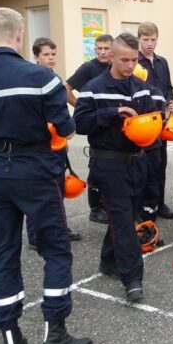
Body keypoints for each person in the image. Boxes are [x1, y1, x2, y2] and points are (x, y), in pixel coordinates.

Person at [0, 8, 92, 344]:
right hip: (37, 172)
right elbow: (66, 128)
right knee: (56, 251)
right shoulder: (41, 77)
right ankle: (55, 334)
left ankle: (11, 340)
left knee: (4, 253)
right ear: (19, 35)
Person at [73, 33, 164, 303]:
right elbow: (80, 124)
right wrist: (113, 113)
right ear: (110, 57)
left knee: (126, 214)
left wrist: (158, 116)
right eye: (124, 59)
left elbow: (151, 117)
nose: (129, 64)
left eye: (134, 60)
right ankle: (132, 278)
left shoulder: (141, 86)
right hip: (108, 163)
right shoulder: (92, 87)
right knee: (125, 220)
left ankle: (108, 260)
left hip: (138, 161)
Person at [28, 37, 81, 243]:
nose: (50, 58)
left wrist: (64, 140)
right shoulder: (32, 78)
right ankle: (35, 236)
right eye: (45, 55)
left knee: (58, 189)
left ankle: (60, 229)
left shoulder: (56, 77)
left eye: (53, 54)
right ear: (36, 57)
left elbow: (60, 110)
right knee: (37, 190)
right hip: (40, 144)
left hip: (57, 142)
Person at [65, 33, 113, 224]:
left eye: (106, 48)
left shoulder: (116, 67)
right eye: (99, 48)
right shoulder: (88, 68)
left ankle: (111, 204)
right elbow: (66, 88)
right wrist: (81, 106)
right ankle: (96, 208)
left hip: (114, 122)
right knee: (97, 166)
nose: (102, 52)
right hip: (96, 124)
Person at [137, 22, 173, 220]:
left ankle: (160, 203)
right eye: (145, 40)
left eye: (153, 39)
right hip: (143, 123)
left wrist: (170, 100)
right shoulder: (135, 63)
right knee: (145, 165)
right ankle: (144, 205)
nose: (149, 44)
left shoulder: (162, 62)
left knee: (160, 164)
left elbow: (169, 87)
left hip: (161, 121)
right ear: (139, 40)